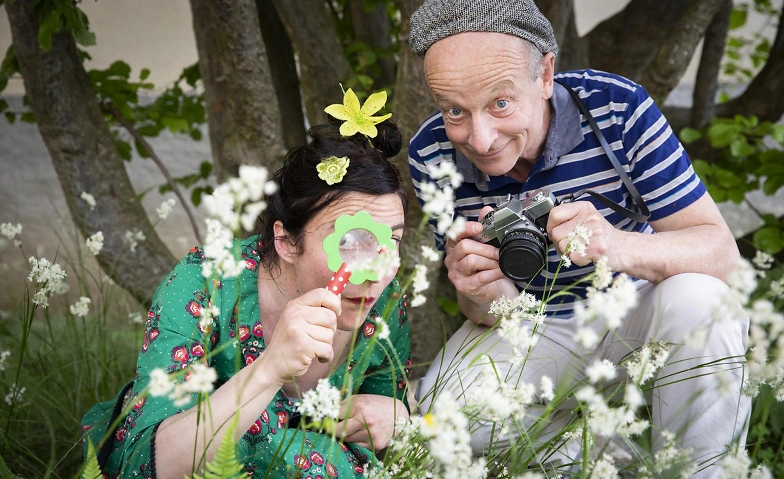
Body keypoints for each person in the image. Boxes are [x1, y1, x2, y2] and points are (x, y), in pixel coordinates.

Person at [407, 0, 749, 474]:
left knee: (704, 299)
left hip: (637, 310)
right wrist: (483, 290)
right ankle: (612, 461)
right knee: (441, 416)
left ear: (546, 75)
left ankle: (702, 470)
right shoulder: (432, 152)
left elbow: (723, 257)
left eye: (500, 103)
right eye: (455, 110)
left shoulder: (618, 108)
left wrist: (617, 245)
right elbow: (483, 312)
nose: (480, 139)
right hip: (533, 324)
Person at [81, 120, 412, 478]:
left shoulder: (385, 302)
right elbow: (145, 466)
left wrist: (399, 418)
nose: (378, 273)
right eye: (350, 243)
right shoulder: (204, 284)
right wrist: (269, 368)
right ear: (286, 242)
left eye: (390, 241)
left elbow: (384, 455)